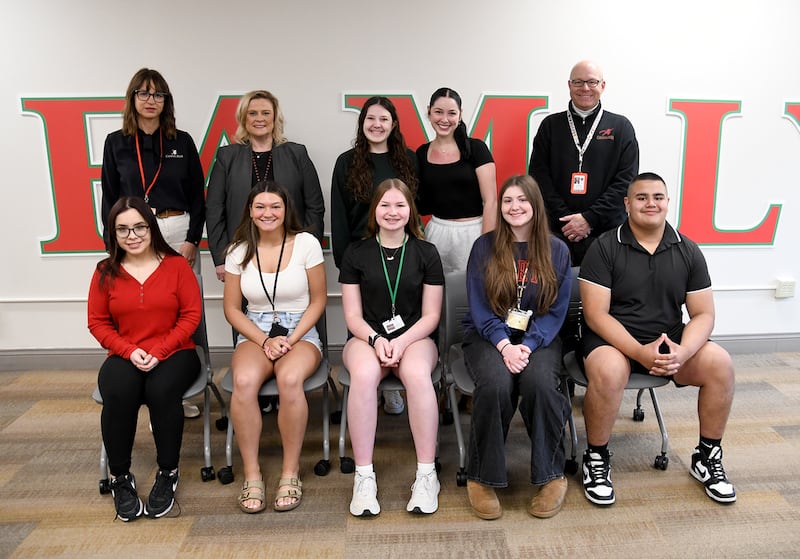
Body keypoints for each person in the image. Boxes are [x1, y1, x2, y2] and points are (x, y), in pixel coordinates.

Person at [578, 172, 736, 506]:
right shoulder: (604, 247)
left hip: (668, 342)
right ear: (627, 203)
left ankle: (707, 458)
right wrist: (638, 351)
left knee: (720, 363)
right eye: (641, 197)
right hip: (613, 340)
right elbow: (596, 315)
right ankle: (596, 458)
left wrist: (683, 351)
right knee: (609, 371)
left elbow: (704, 314)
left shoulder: (688, 250)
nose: (651, 203)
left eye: (658, 197)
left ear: (667, 202)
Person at [461, 175, 572, 520]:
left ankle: (552, 475)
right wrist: (505, 345)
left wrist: (529, 344)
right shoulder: (484, 247)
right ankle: (481, 477)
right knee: (495, 383)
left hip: (540, 337)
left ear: (535, 205)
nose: (514, 207)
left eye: (522, 200)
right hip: (488, 335)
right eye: (507, 201)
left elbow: (556, 311)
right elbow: (480, 308)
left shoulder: (557, 250)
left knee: (540, 383)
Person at [88, 196, 202, 522]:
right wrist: (129, 350)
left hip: (176, 351)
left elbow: (191, 316)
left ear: (151, 228)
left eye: (139, 227)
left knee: (161, 391)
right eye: (123, 229)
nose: (132, 235)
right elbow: (97, 322)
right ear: (113, 233)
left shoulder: (177, 265)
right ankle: (120, 478)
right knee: (118, 390)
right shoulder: (105, 271)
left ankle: (168, 472)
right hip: (125, 352)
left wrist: (160, 350)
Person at [101, 68, 206, 419]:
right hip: (133, 233)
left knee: (181, 307)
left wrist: (193, 239)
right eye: (144, 94)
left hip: (177, 229)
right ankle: (139, 384)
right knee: (140, 308)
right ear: (132, 99)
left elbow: (197, 196)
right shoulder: (116, 142)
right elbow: (111, 198)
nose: (151, 100)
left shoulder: (181, 140)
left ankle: (176, 389)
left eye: (158, 94)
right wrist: (113, 245)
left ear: (166, 101)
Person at [339, 179, 444, 517]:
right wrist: (376, 339)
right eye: (385, 205)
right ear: (375, 211)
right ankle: (364, 475)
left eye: (400, 205)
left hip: (414, 338)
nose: (392, 212)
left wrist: (400, 341)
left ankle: (427, 474)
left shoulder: (426, 252)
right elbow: (353, 316)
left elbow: (431, 316)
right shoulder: (356, 253)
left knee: (415, 373)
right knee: (365, 373)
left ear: (410, 210)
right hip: (365, 338)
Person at [223, 181, 326, 514]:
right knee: (243, 383)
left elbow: (319, 300)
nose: (268, 213)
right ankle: (252, 474)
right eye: (260, 207)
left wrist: (291, 340)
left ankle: (290, 471)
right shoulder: (238, 250)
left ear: (286, 210)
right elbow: (232, 309)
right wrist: (264, 339)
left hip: (300, 331)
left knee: (290, 381)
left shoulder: (307, 243)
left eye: (275, 207)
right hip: (256, 332)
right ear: (250, 212)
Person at [331, 96, 418, 416]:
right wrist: (344, 261)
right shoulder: (346, 162)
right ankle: (361, 386)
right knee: (361, 322)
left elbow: (413, 210)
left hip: (401, 252)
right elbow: (339, 216)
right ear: (362, 123)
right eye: (370, 119)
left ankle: (394, 386)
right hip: (360, 255)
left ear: (393, 124)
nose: (376, 125)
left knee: (402, 314)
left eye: (383, 119)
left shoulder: (407, 160)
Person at [207, 89, 325, 283]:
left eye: (266, 113)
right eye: (252, 113)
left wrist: (308, 251)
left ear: (275, 117)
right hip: (243, 253)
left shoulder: (297, 153)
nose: (259, 118)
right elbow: (214, 209)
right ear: (243, 117)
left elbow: (315, 206)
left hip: (292, 252)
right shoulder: (226, 157)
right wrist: (221, 258)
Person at [528, 60, 639, 265]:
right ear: (569, 85)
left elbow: (626, 182)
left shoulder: (621, 127)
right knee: (553, 295)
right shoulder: (550, 126)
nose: (585, 88)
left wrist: (589, 218)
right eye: (578, 82)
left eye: (592, 82)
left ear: (602, 86)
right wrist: (567, 221)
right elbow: (538, 178)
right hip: (557, 233)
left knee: (604, 296)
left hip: (606, 234)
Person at [416, 87, 497, 273]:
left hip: (473, 232)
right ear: (429, 112)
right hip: (436, 232)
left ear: (460, 116)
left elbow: (491, 201)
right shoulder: (421, 153)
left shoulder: (477, 149)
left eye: (451, 113)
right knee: (437, 291)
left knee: (474, 290)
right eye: (438, 112)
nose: (444, 119)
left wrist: (486, 244)